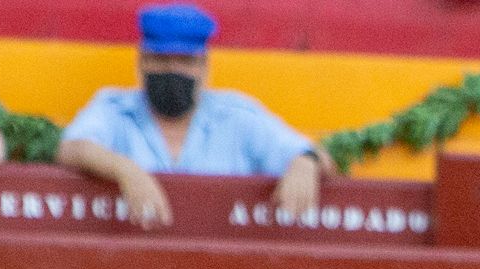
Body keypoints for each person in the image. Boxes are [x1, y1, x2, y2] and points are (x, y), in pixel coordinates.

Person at [54, 3, 327, 230]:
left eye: (185, 61)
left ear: (204, 67)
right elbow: (73, 147)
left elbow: (312, 153)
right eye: (161, 60)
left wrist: (305, 164)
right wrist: (126, 171)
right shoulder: (113, 108)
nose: (173, 70)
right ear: (142, 63)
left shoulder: (238, 117)